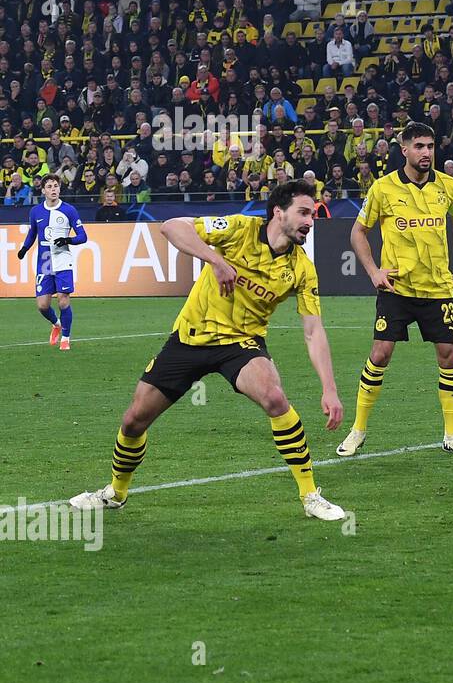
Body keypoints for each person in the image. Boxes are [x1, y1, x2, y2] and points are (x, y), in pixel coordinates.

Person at [68, 180, 348, 520]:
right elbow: (171, 227)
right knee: (133, 421)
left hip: (241, 344)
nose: (310, 221)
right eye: (303, 212)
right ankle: (116, 491)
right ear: (278, 212)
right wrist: (215, 259)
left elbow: (313, 330)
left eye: (313, 214)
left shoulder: (302, 269)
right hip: (191, 337)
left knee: (275, 398)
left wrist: (330, 389)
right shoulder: (239, 229)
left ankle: (310, 496)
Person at [336, 122, 453, 458]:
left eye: (430, 146)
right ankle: (358, 429)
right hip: (396, 288)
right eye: (419, 146)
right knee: (380, 353)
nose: (426, 152)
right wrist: (373, 271)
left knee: (450, 356)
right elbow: (358, 232)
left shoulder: (450, 187)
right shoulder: (383, 189)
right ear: (405, 150)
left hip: (437, 289)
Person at [16, 175, 87, 351]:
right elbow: (32, 233)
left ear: (59, 189)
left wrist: (67, 240)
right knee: (42, 306)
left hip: (63, 260)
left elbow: (83, 236)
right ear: (43, 190)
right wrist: (24, 248)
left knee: (63, 301)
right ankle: (56, 324)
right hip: (44, 262)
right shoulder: (36, 211)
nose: (53, 189)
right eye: (49, 186)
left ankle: (66, 338)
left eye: (56, 186)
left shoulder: (69, 210)